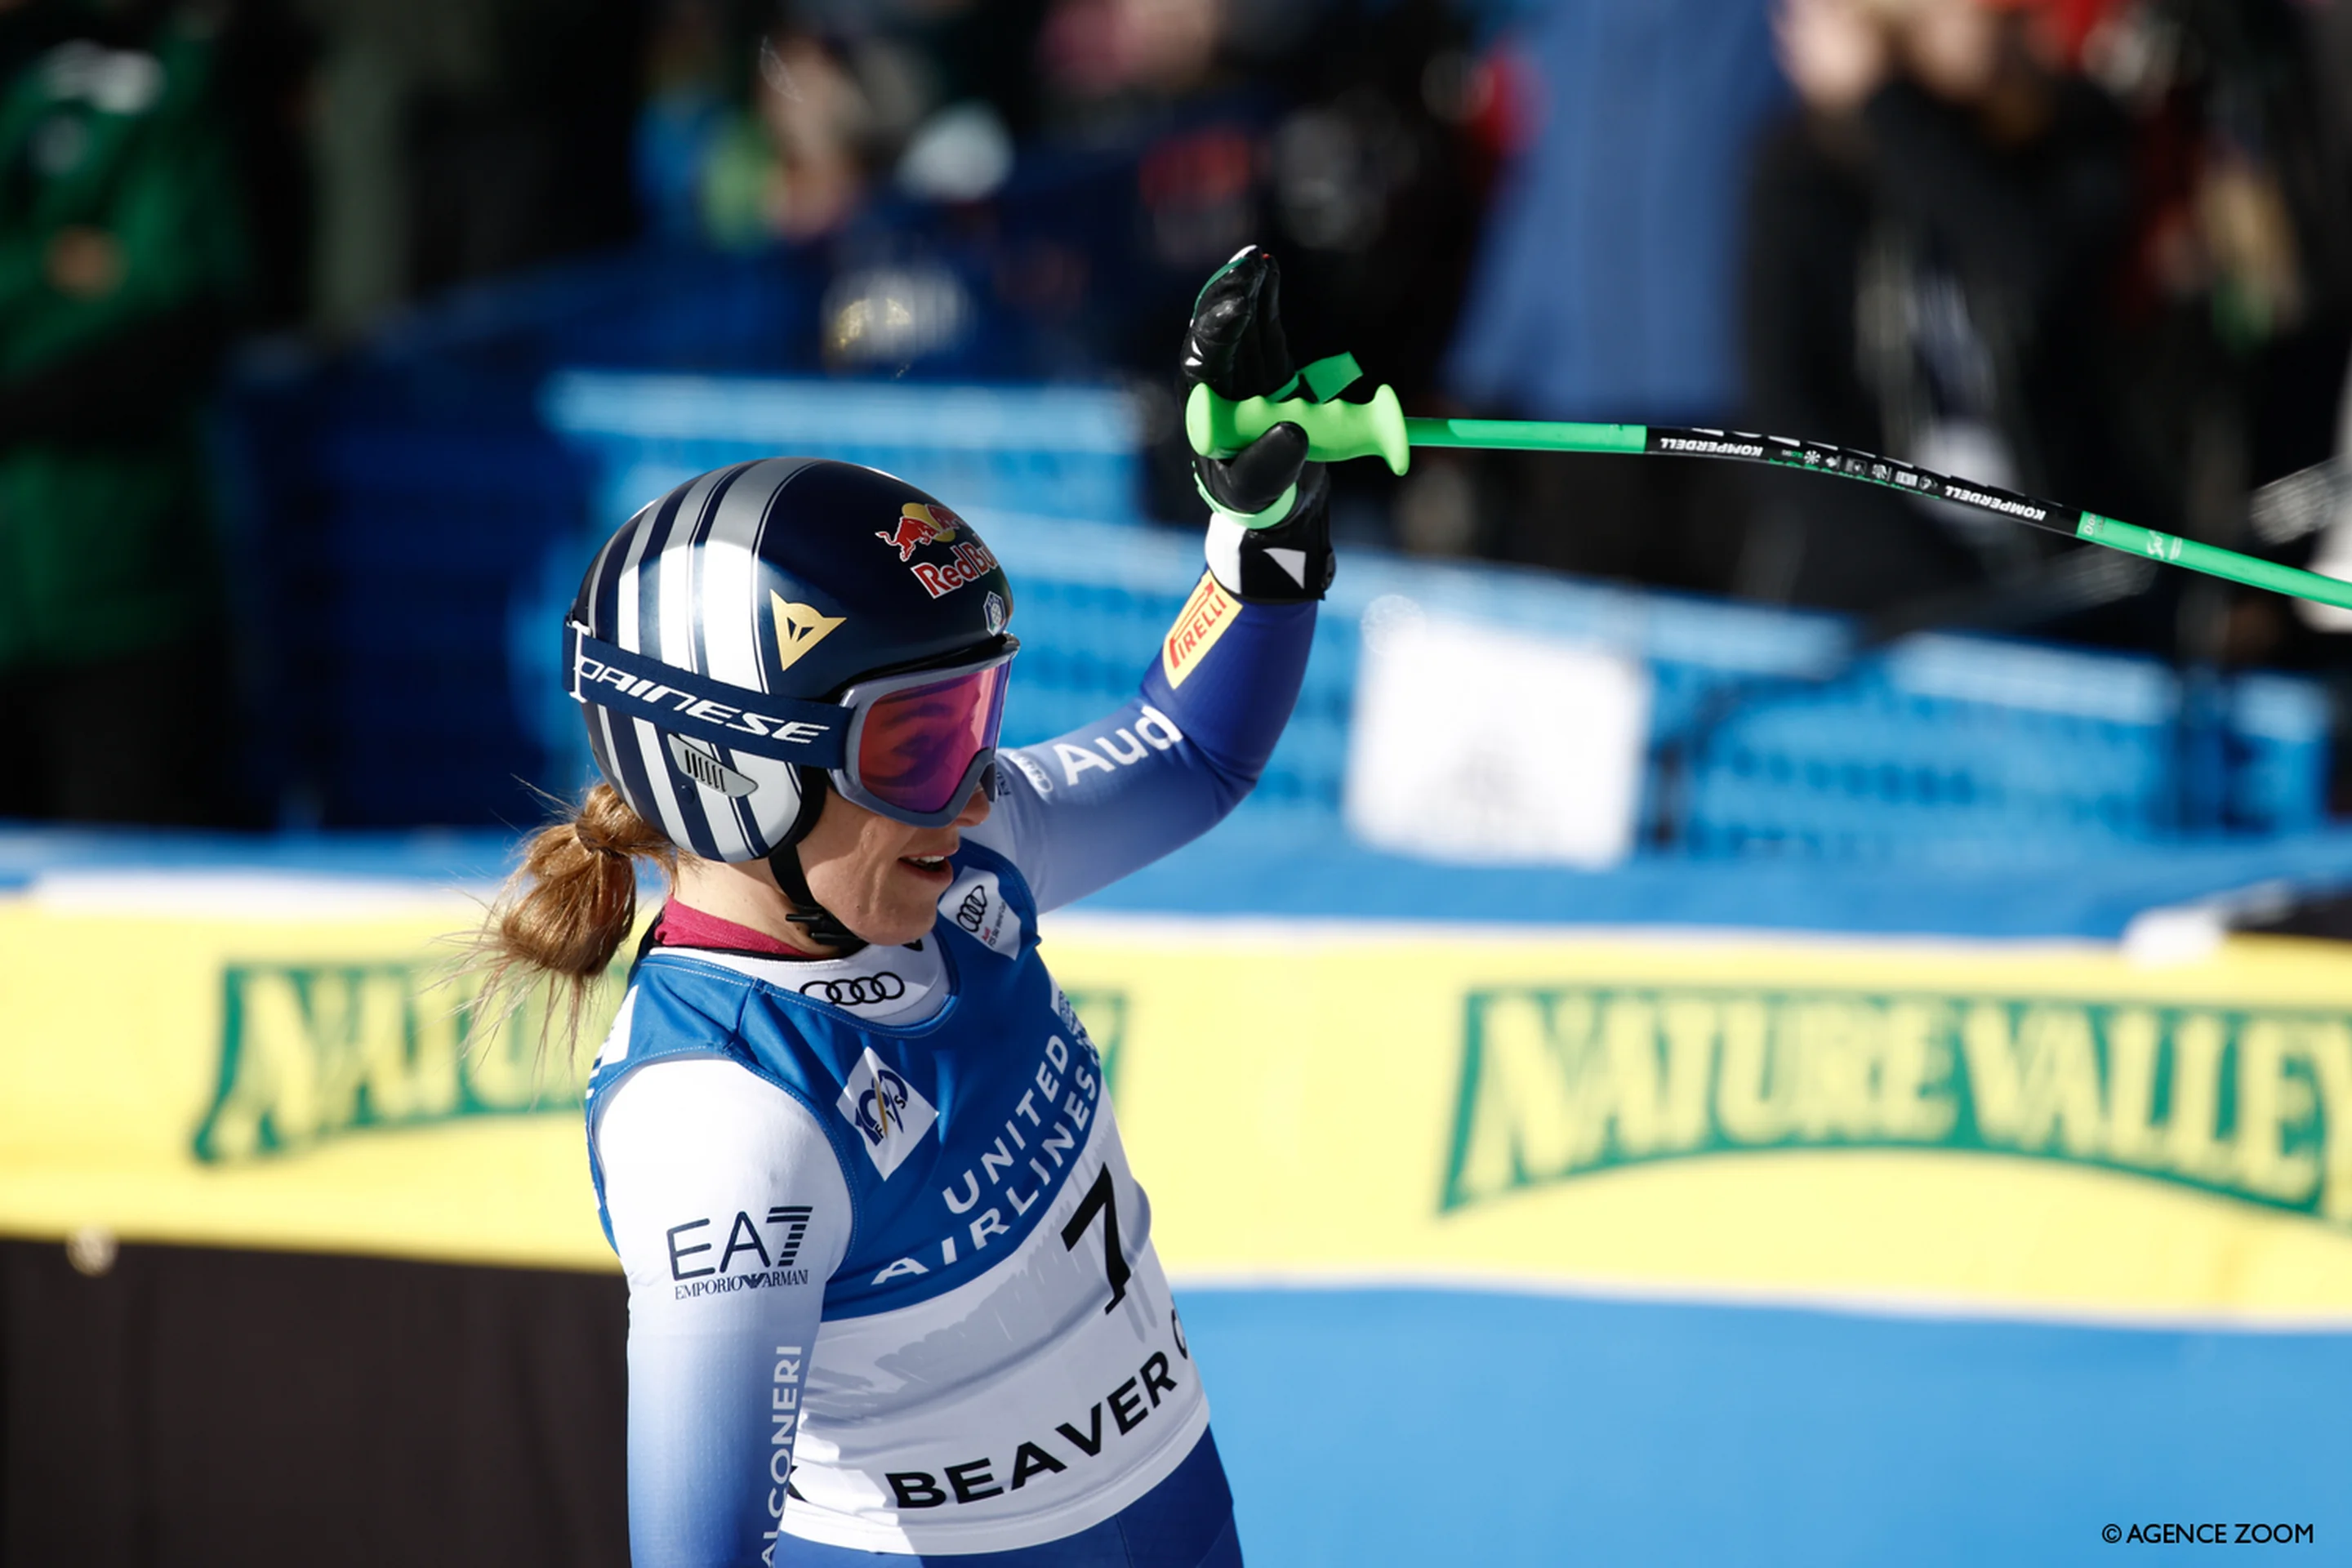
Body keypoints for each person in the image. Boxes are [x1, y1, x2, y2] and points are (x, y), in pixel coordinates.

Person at [470, 247, 1331, 1567]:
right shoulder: (724, 1123)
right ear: (734, 771)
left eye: (978, 718)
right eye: (918, 742)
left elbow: (1187, 753)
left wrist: (1259, 531)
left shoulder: (946, 878)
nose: (977, 791)